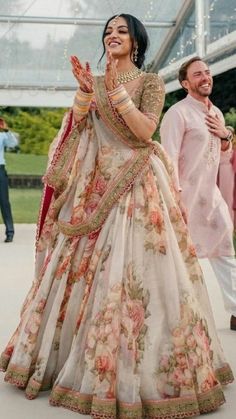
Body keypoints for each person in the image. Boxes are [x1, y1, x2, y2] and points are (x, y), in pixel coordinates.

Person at [0, 16, 234, 419]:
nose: (112, 35)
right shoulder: (94, 81)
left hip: (137, 184)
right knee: (85, 275)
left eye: (121, 30)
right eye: (108, 31)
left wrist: (112, 94)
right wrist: (84, 95)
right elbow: (78, 130)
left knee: (138, 275)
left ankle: (142, 371)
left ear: (137, 41)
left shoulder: (150, 83)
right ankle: (75, 360)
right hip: (94, 187)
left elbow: (144, 132)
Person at [160, 57, 236, 333]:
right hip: (185, 199)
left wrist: (226, 136)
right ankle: (178, 315)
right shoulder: (177, 114)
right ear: (185, 83)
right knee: (181, 258)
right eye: (197, 75)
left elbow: (224, 155)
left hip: (211, 198)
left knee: (225, 248)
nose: (206, 77)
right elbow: (167, 158)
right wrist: (176, 196)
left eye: (207, 72)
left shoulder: (215, 112)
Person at [0, 117, 18, 242]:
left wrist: (6, 130)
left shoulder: (2, 136)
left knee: (4, 202)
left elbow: (13, 144)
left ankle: (10, 232)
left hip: (0, 170)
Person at [217, 126, 236, 223]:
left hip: (230, 186)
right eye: (221, 138)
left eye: (227, 138)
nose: (224, 141)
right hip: (217, 186)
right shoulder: (214, 154)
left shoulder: (233, 154)